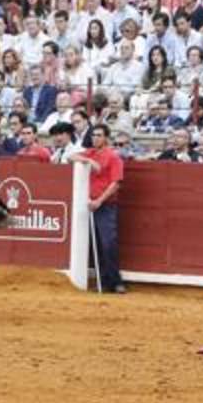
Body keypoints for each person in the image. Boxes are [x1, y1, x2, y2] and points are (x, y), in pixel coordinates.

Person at [71, 124, 125, 293]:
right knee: (95, 245)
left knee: (108, 243)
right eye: (93, 135)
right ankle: (104, 281)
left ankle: (115, 281)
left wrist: (99, 201)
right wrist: (87, 160)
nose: (95, 138)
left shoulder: (113, 157)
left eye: (99, 135)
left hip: (105, 205)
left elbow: (116, 183)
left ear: (106, 138)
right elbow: (70, 156)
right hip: (87, 204)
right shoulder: (90, 153)